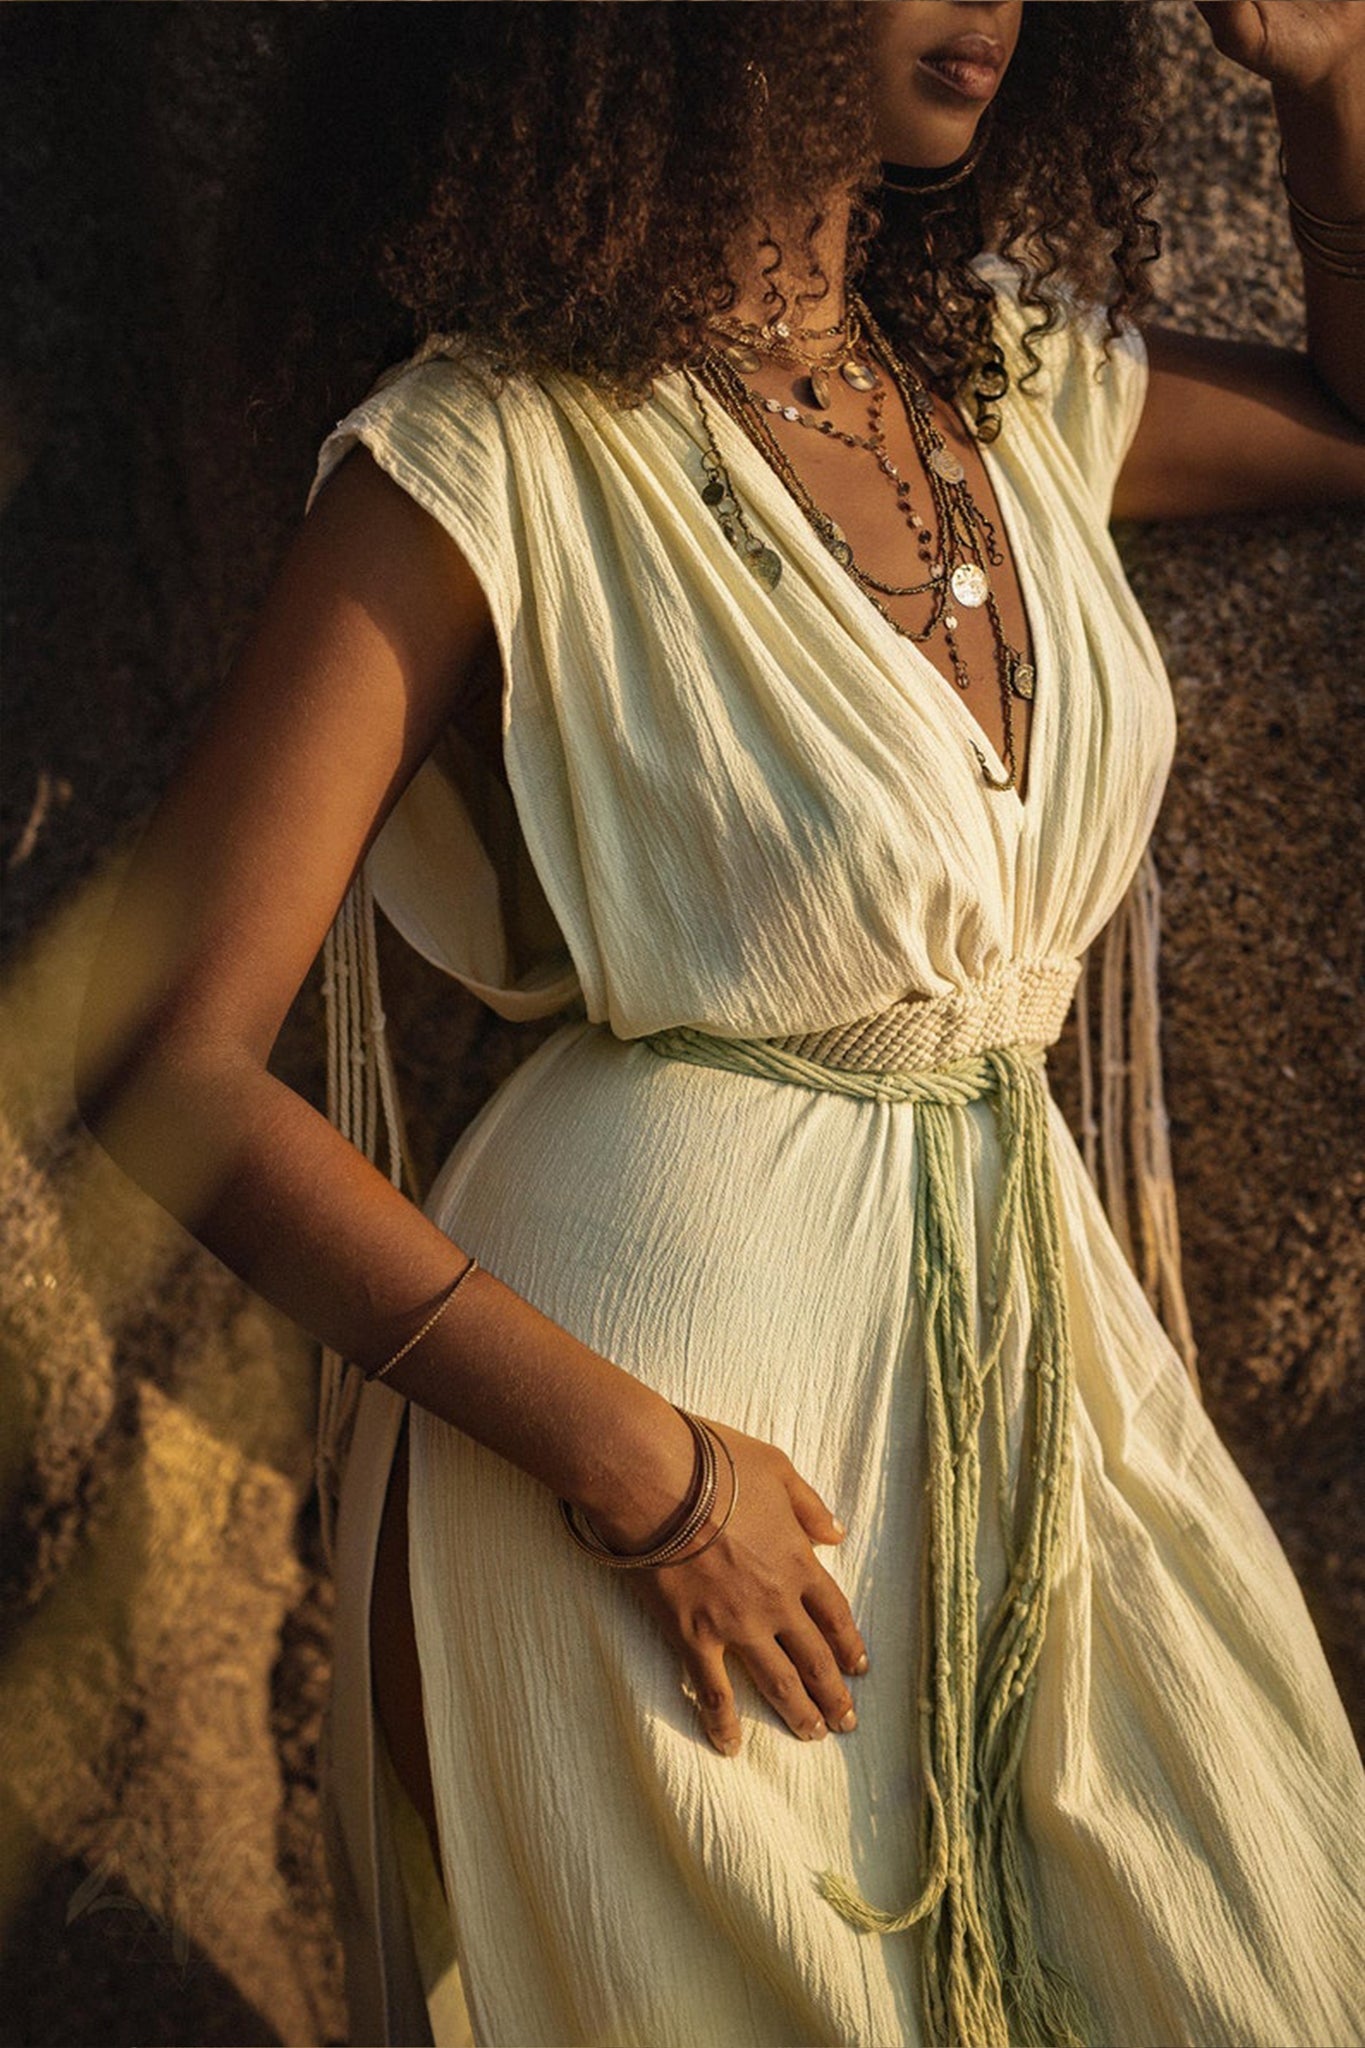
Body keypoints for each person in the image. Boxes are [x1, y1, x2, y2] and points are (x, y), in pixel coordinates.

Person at [75, 4, 1365, 2045]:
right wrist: (645, 1473)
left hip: (1035, 1364)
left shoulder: (1003, 391)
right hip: (640, 1454)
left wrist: (1329, 85)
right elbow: (174, 1063)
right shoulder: (486, 451)